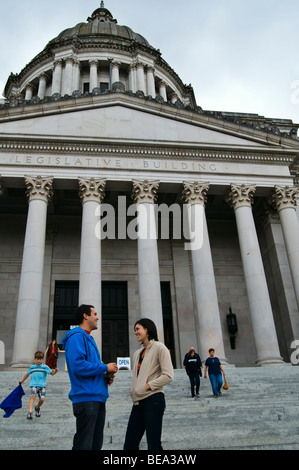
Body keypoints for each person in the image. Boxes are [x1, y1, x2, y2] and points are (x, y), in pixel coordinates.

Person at [62, 304, 118, 450]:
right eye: (95, 314)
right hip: (86, 398)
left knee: (95, 445)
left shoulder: (88, 338)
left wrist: (105, 376)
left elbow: (90, 367)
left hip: (97, 397)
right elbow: (78, 365)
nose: (98, 317)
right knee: (84, 445)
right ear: (85, 316)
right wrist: (105, 367)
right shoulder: (76, 337)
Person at [123, 318, 174, 450]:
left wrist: (148, 386)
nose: (135, 332)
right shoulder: (137, 354)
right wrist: (133, 389)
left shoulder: (160, 348)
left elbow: (168, 375)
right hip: (138, 402)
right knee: (129, 445)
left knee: (153, 445)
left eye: (138, 329)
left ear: (147, 329)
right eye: (135, 330)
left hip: (153, 399)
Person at [19, 351, 58, 419]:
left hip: (42, 385)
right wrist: (22, 380)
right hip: (33, 384)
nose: (38, 361)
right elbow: (27, 374)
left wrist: (56, 371)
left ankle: (37, 407)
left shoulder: (45, 367)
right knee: (33, 397)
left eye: (40, 359)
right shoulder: (32, 367)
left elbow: (51, 373)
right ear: (35, 359)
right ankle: (30, 412)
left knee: (42, 399)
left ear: (42, 359)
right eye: (37, 359)